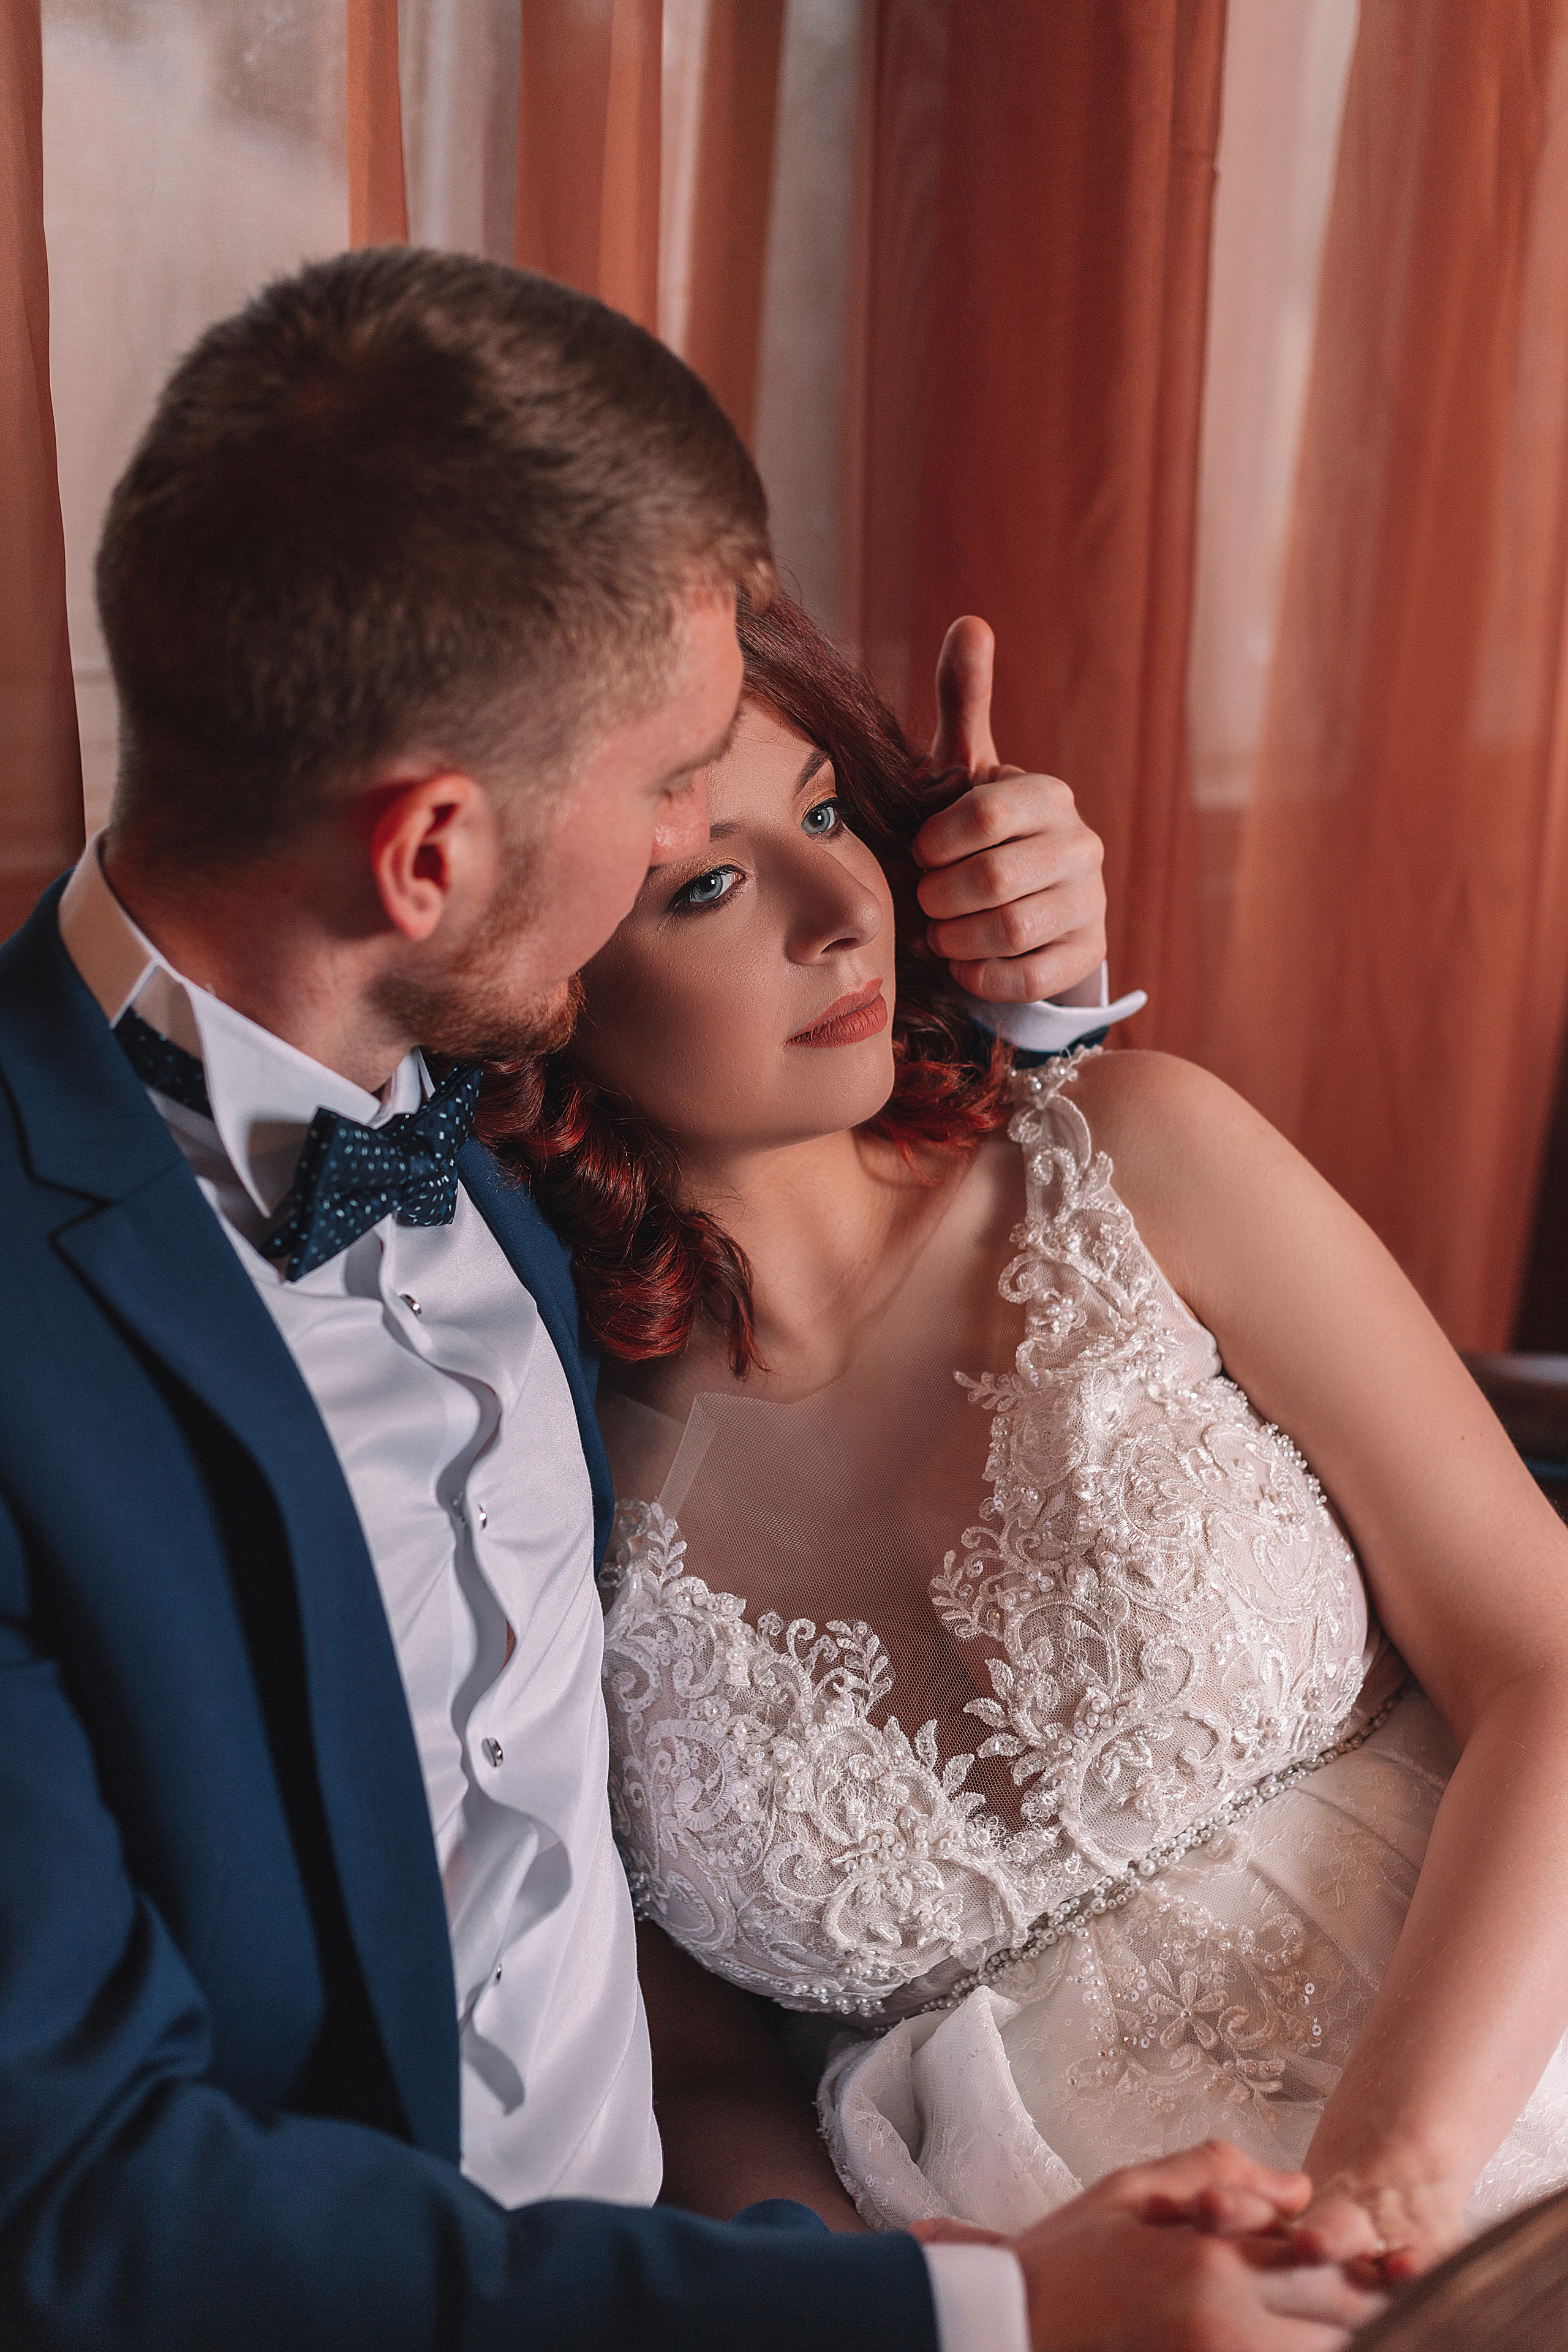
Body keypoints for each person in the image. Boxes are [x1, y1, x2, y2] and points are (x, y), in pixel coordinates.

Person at [0, 246, 1382, 2351]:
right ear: (430, 855)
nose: (701, 826)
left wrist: (1022, 981)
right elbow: (92, 2213)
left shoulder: (516, 1148)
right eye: (671, 810)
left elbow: (842, 1244)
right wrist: (985, 2321)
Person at [477, 589, 1568, 2336]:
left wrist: (1386, 2196)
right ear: (536, 983)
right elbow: (692, 2079)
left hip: (1498, 2127)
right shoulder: (548, 1488)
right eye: (712, 882)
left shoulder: (1142, 1159)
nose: (844, 911)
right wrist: (957, 2324)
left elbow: (1550, 1659)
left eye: (830, 815)